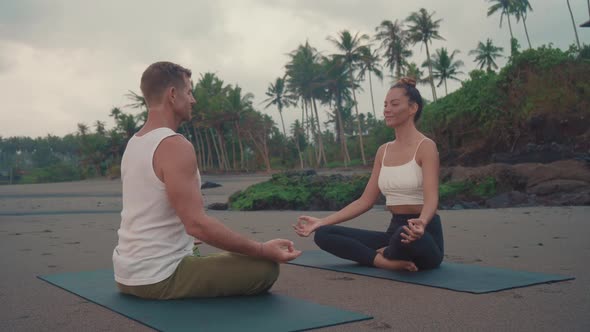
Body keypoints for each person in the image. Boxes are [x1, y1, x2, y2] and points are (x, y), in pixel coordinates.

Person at [113, 61, 301, 299]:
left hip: (125, 273)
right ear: (172, 94)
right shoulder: (174, 145)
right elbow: (197, 225)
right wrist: (262, 250)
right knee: (264, 268)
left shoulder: (135, 143)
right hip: (159, 277)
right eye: (189, 92)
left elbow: (156, 212)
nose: (193, 100)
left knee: (207, 251)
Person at [293, 77, 443, 272]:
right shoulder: (383, 151)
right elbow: (365, 201)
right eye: (385, 105)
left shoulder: (426, 147)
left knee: (402, 235)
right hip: (394, 232)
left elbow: (432, 199)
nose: (387, 109)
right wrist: (322, 221)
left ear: (413, 108)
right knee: (323, 234)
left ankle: (387, 251)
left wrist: (421, 222)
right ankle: (383, 260)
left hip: (423, 235)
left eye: (394, 104)